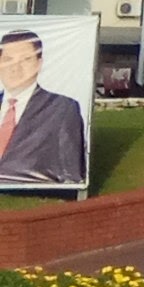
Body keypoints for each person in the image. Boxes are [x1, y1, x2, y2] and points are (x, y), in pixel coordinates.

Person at [0, 24, 88, 189]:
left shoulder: (62, 108)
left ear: (39, 64)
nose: (15, 67)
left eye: (26, 59)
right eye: (8, 59)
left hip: (32, 200)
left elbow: (71, 173)